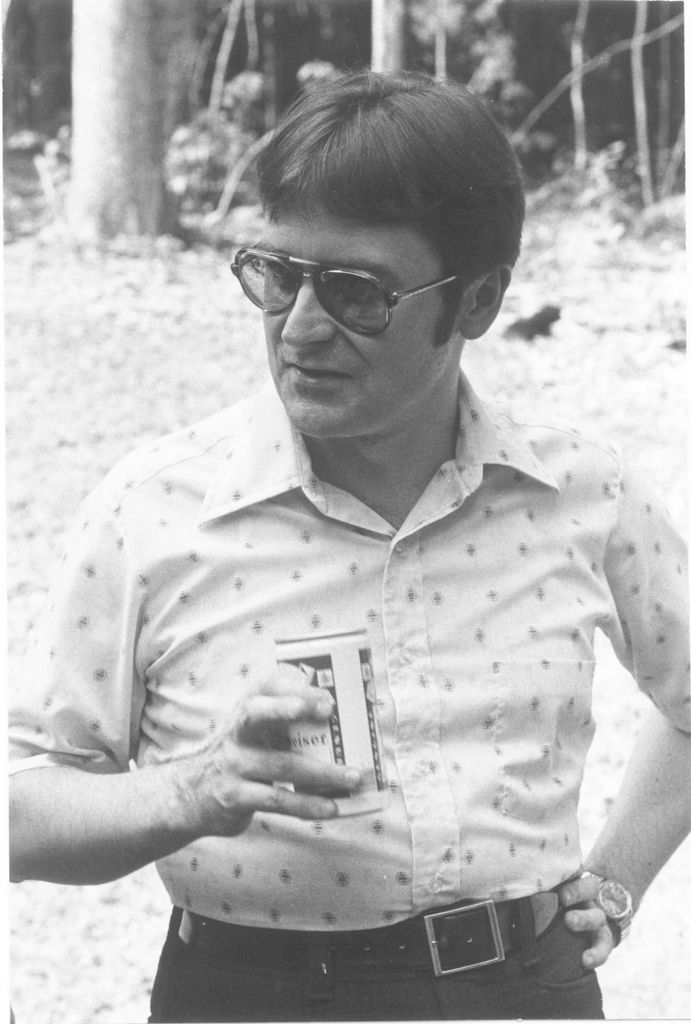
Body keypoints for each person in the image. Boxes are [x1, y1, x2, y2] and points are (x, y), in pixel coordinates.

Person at [9, 70, 690, 1022]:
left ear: (480, 301)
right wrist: (192, 792)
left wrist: (617, 880)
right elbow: (20, 813)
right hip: (244, 998)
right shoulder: (154, 508)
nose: (299, 328)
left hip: (520, 992)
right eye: (275, 275)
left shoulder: (584, 493)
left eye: (354, 292)